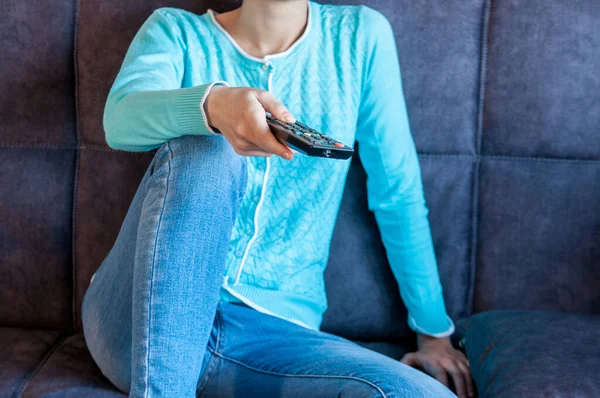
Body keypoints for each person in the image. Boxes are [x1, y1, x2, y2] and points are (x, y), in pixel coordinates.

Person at [81, 0, 474, 397]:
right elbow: (120, 120)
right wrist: (212, 106)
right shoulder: (176, 31)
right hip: (138, 317)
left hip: (272, 342)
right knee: (211, 149)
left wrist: (433, 332)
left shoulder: (361, 38)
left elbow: (398, 194)